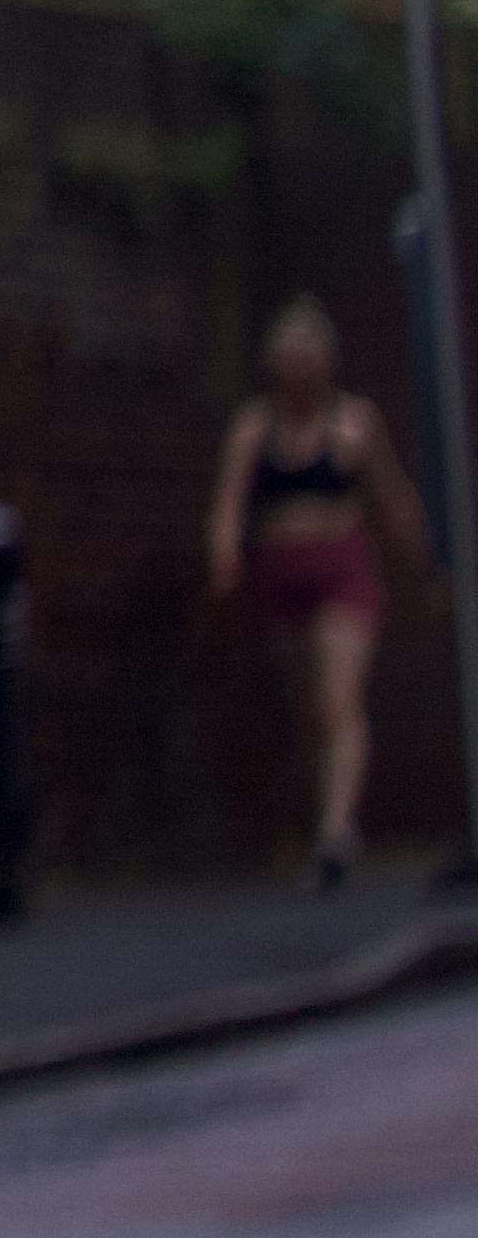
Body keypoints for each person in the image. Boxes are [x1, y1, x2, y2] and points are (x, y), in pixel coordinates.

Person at [209, 297, 426, 888]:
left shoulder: (354, 423)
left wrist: (426, 560)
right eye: (290, 345)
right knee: (307, 711)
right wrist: (225, 557)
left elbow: (392, 495)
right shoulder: (256, 426)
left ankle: (336, 833)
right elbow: (229, 505)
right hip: (282, 575)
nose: (300, 357)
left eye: (311, 344)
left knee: (337, 700)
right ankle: (323, 824)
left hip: (343, 571)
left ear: (328, 357)